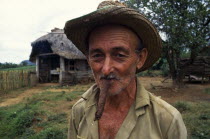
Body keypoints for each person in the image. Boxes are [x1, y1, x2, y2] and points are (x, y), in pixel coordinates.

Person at [64, 1, 187, 139]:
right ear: (88, 59)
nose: (105, 69)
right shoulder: (79, 111)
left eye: (119, 55)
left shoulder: (167, 121)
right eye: (97, 56)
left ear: (140, 58)